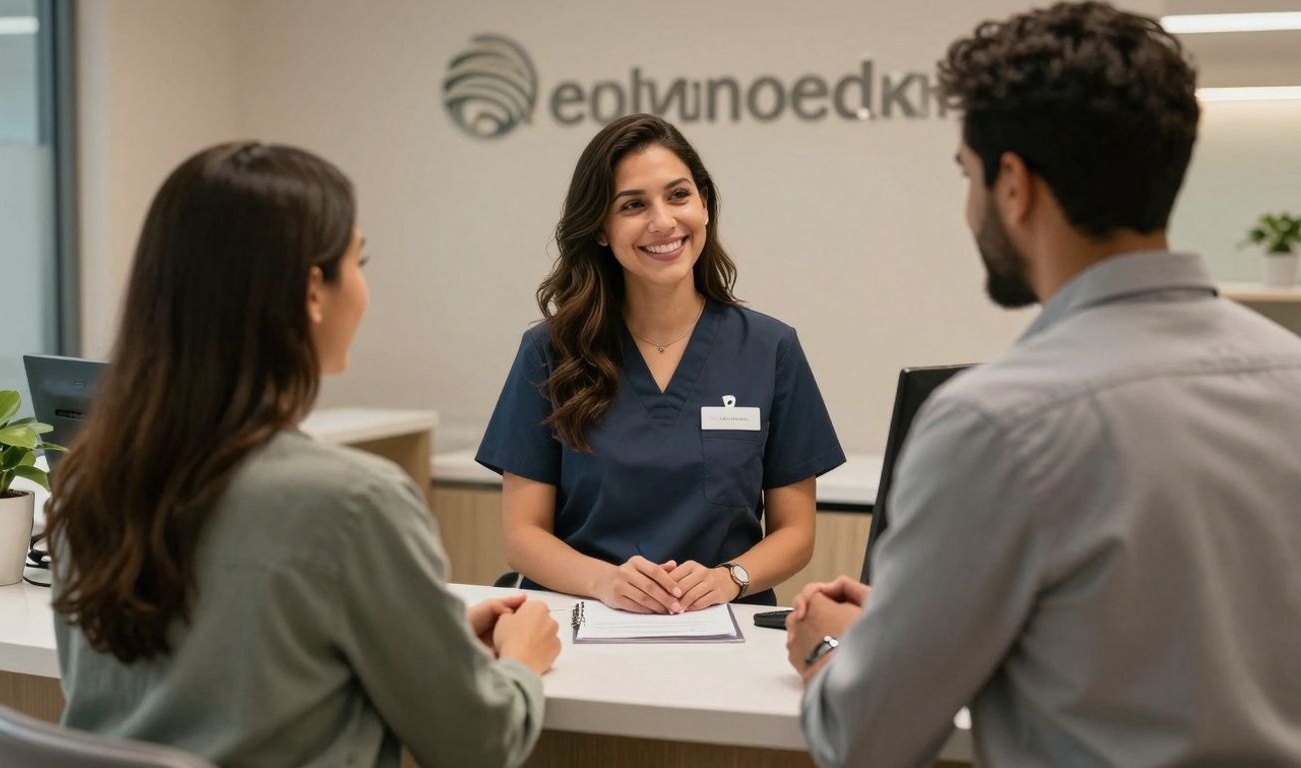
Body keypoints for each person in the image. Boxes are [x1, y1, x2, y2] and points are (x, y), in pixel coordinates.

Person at [790, 3, 1301, 766]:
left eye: (968, 175)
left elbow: (864, 739)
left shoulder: (994, 426)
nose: (969, 206)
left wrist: (830, 647)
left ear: (1014, 186)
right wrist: (908, 626)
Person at [46, 142, 560, 768]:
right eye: (359, 262)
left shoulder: (86, 484)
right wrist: (521, 664)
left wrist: (428, 641)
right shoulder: (354, 503)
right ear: (314, 290)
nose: (366, 292)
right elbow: (475, 745)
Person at [477, 114, 845, 612]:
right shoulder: (550, 352)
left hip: (725, 624)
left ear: (706, 206)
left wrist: (729, 578)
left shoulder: (770, 348)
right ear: (602, 230)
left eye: (678, 195)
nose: (663, 222)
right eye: (633, 205)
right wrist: (605, 582)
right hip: (585, 618)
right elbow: (523, 535)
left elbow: (796, 532)